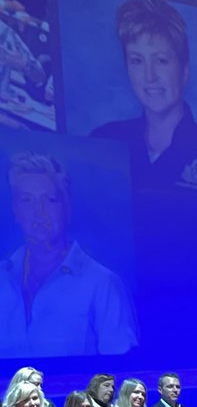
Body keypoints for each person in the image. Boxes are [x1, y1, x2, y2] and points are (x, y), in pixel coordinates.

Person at [91, 0, 197, 196]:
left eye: (161, 61)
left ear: (185, 71)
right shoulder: (103, 141)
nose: (149, 76)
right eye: (137, 61)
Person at [0, 152, 138, 357]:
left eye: (50, 200)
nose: (39, 211)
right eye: (27, 200)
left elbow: (123, 375)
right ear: (15, 211)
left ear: (67, 208)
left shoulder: (102, 284)